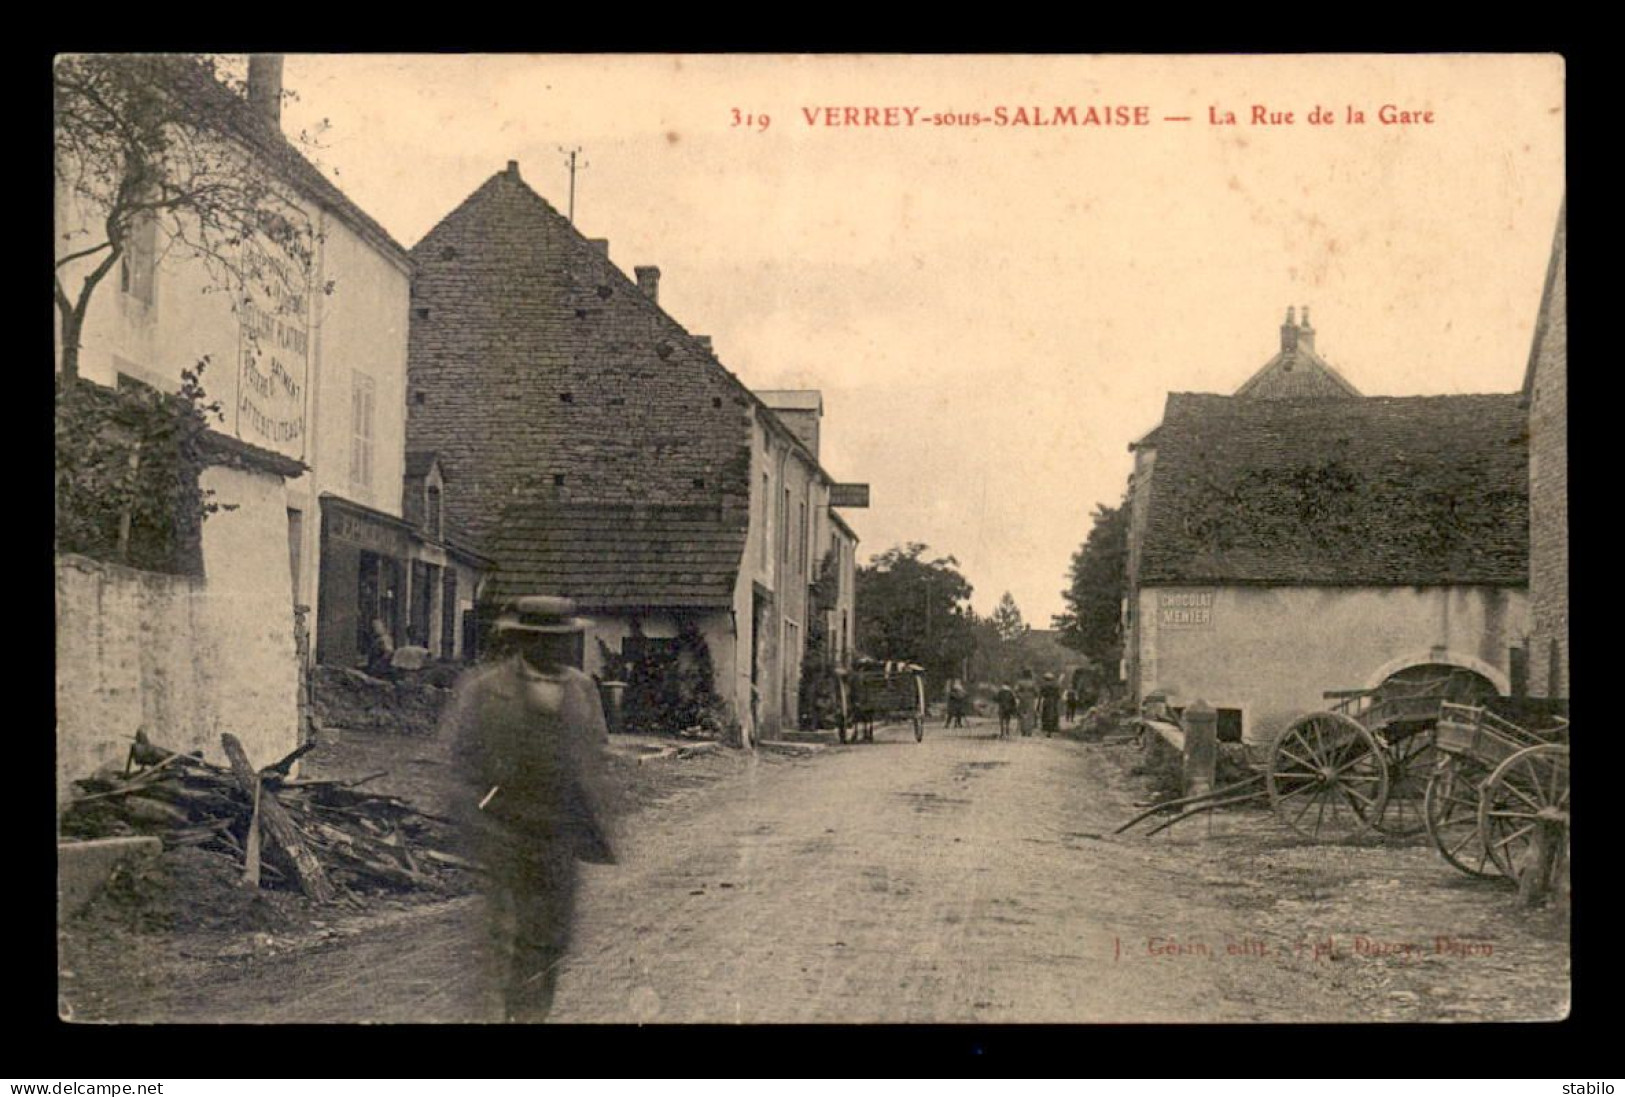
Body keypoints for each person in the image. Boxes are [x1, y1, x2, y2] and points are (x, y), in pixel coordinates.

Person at [440, 595, 618, 1023]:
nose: (557, 649)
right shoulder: (484, 689)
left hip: (560, 838)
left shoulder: (582, 689)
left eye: (564, 640)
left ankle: (533, 1014)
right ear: (524, 641)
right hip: (506, 835)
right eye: (545, 640)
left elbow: (596, 754)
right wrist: (477, 826)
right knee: (509, 941)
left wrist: (596, 818)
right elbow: (460, 763)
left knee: (554, 940)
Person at [1039, 672, 1062, 736]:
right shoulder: (1056, 686)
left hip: (1046, 700)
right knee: (1053, 714)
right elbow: (1058, 695)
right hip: (1053, 701)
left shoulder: (1043, 685)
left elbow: (1041, 695)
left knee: (1046, 714)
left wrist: (1038, 704)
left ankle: (1046, 728)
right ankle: (1053, 728)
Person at [1015, 669, 1037, 737]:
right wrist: (1033, 695)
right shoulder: (1033, 683)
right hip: (1030, 699)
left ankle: (1023, 731)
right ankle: (1029, 731)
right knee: (1030, 715)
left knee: (1022, 715)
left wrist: (1019, 696)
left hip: (1022, 699)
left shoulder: (1020, 682)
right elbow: (1036, 691)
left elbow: (1016, 690)